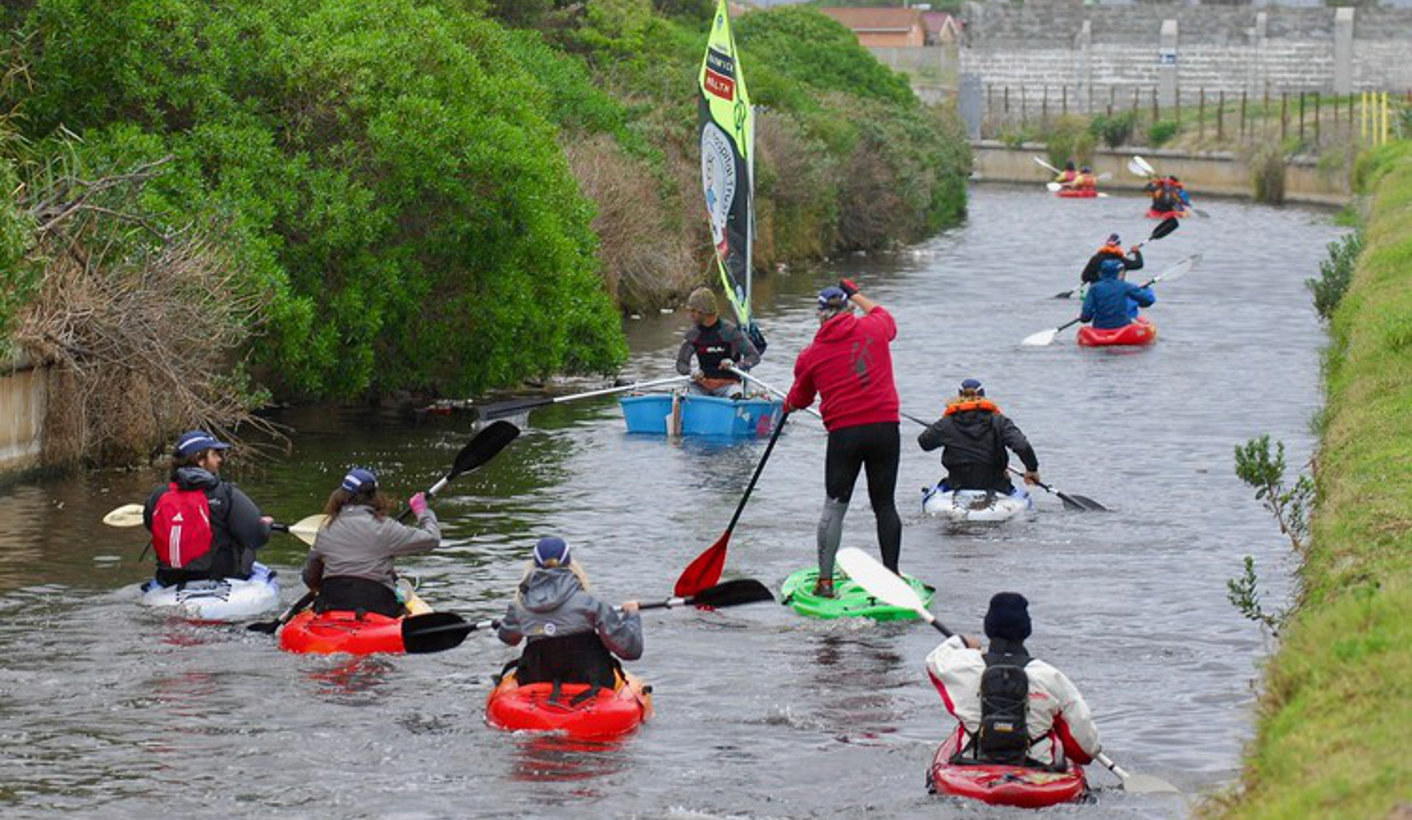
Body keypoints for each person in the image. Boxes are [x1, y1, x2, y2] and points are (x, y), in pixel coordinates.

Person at [784, 279, 902, 598]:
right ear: (848, 308)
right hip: (885, 429)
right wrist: (857, 294)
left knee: (835, 507)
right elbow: (883, 315)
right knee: (885, 504)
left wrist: (788, 405)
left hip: (845, 435)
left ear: (820, 315)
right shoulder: (876, 328)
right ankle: (892, 577)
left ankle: (825, 583)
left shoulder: (811, 354)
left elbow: (800, 398)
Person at [926, 592, 1101, 770]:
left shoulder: (961, 666)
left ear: (988, 627)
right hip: (1037, 772)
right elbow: (1084, 750)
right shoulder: (1051, 677)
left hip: (973, 768)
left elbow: (935, 659)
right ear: (1026, 630)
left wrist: (963, 640)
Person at [497, 537, 643, 688]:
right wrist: (631, 615)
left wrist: (532, 624)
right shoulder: (592, 602)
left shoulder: (520, 605)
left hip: (537, 681)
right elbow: (630, 650)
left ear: (533, 565)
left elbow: (508, 638)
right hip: (591, 682)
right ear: (570, 563)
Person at [301, 468, 440, 617]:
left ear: (340, 495)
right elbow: (432, 538)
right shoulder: (387, 528)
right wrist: (423, 512)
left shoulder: (325, 529)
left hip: (332, 605)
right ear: (374, 497)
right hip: (378, 607)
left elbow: (310, 577)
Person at [143, 430, 272, 585]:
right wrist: (265, 525)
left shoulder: (158, 496)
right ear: (200, 459)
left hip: (170, 579)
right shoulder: (226, 494)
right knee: (246, 544)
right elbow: (256, 537)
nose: (220, 459)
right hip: (222, 577)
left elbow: (152, 526)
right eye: (215, 454)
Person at [917, 379, 1040, 496]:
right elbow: (1022, 446)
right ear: (983, 397)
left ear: (959, 397)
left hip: (957, 484)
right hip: (996, 485)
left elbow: (924, 443)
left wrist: (938, 429)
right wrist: (1031, 469)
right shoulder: (1000, 421)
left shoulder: (947, 423)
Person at [674, 287, 761, 398]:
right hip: (702, 387)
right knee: (688, 393)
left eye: (692, 311)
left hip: (729, 386)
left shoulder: (730, 331)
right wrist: (691, 372)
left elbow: (754, 356)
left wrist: (736, 366)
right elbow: (681, 363)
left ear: (703, 311)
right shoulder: (693, 334)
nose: (690, 314)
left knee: (736, 394)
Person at [1081, 258, 1155, 330]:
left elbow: (1086, 315)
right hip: (1122, 326)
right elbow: (1148, 300)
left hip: (1100, 327)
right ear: (1117, 272)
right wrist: (1147, 289)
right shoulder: (1125, 286)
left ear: (1101, 272)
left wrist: (1084, 318)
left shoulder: (1094, 288)